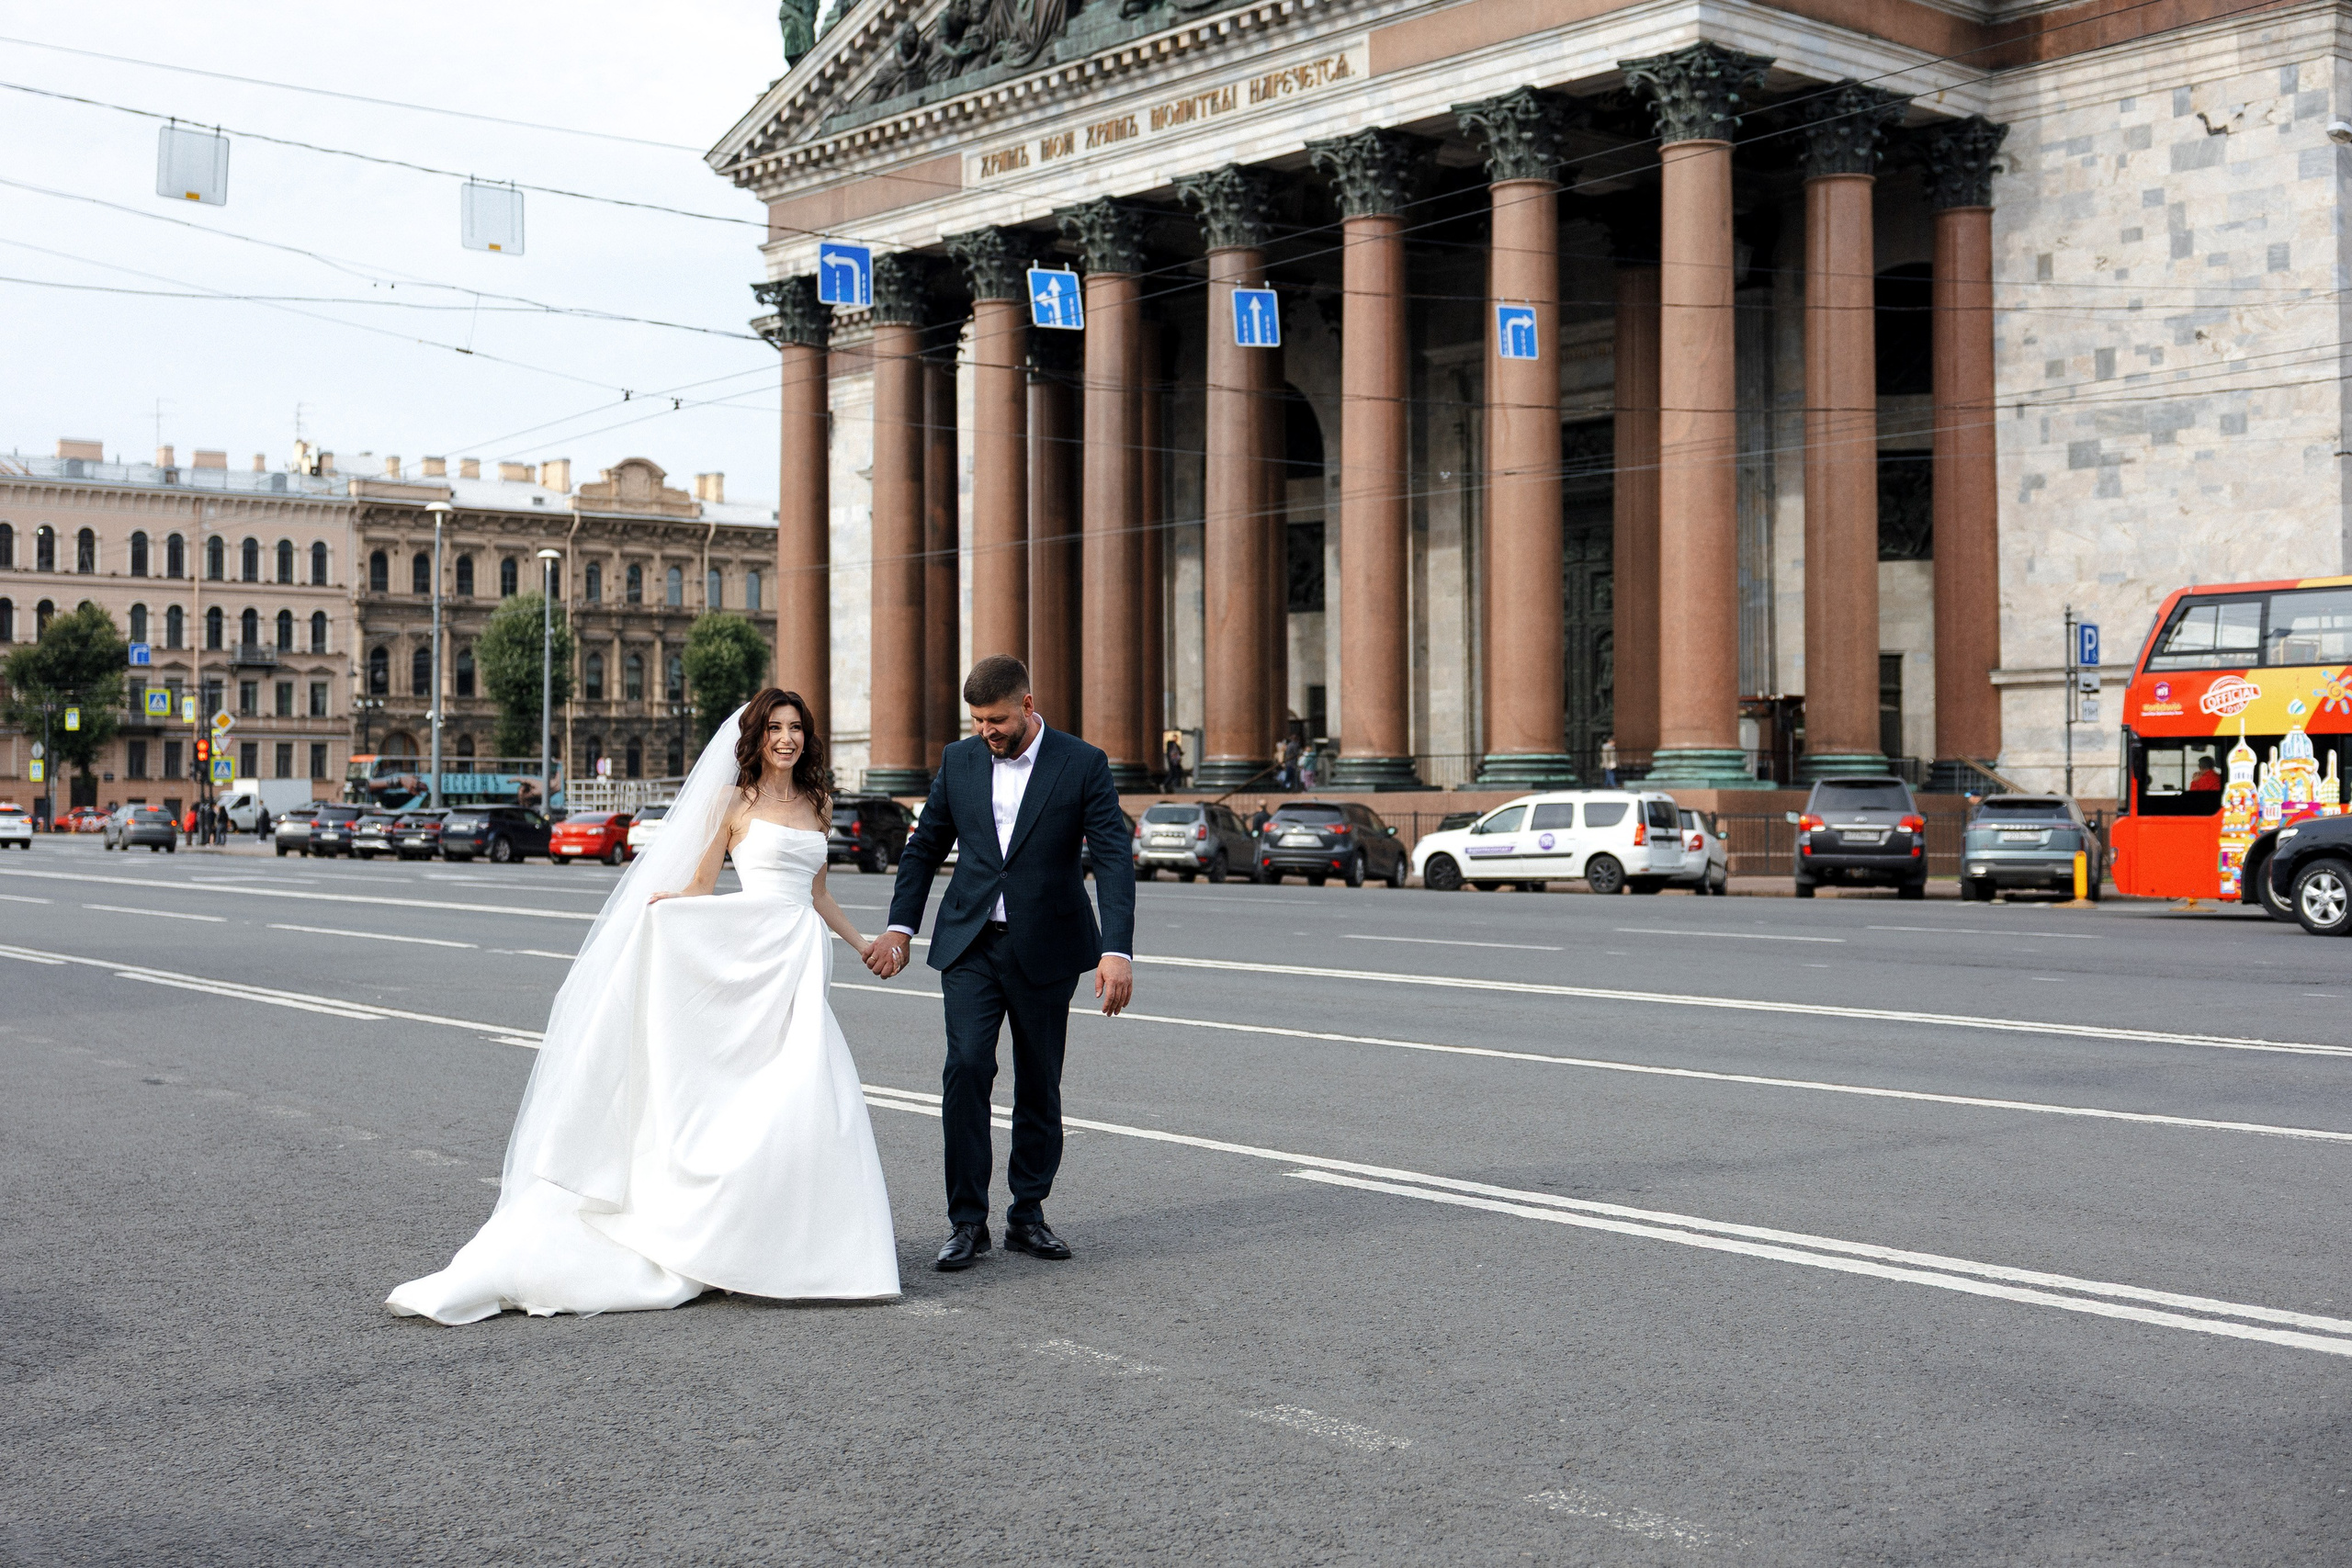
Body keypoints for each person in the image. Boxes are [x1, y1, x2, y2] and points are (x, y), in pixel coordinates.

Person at [387, 690, 899, 1323]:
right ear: (757, 737)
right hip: (746, 956)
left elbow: (816, 891)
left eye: (796, 727)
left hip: (799, 961)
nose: (787, 738)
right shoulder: (735, 801)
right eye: (775, 728)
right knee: (737, 1100)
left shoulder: (818, 802)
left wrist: (861, 942)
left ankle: (811, 1251)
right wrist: (670, 910)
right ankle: (720, 1239)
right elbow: (703, 885)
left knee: (811, 1099)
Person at [865, 655, 1136, 1272]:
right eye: (978, 720)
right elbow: (925, 846)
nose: (987, 730)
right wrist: (901, 927)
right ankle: (967, 1222)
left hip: (1047, 943)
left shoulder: (1082, 762)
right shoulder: (959, 760)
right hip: (970, 942)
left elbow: (1115, 857)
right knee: (965, 1067)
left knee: (1039, 1080)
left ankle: (1027, 1214)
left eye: (997, 719)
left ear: (1028, 705)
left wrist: (1115, 949)